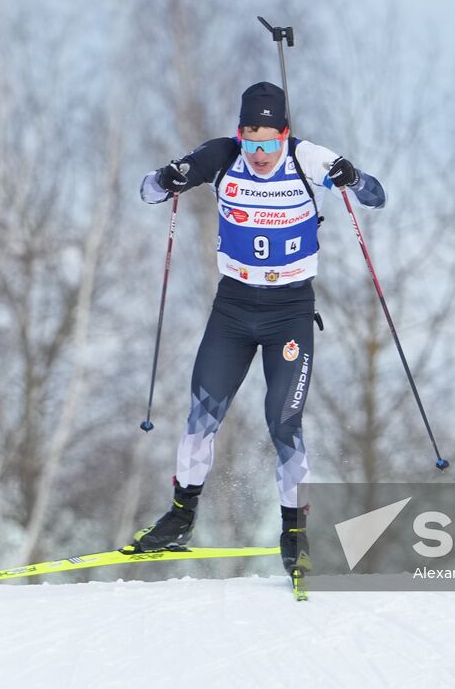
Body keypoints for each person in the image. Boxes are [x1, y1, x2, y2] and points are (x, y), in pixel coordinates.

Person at [130, 80, 387, 576]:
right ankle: (181, 517)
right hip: (232, 310)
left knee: (283, 420)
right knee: (201, 416)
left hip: (289, 312)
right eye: (252, 142)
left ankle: (293, 530)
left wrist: (352, 177)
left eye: (270, 142)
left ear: (284, 135)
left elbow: (376, 197)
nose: (261, 153)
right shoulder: (222, 156)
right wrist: (170, 177)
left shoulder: (305, 158)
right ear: (240, 135)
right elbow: (148, 192)